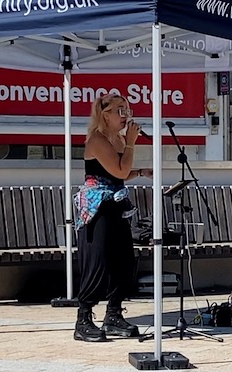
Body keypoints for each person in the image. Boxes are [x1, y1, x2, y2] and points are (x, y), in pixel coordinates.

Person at [73, 93, 153, 342]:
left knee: (123, 259)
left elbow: (119, 174)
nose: (125, 115)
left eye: (126, 109)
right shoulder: (97, 141)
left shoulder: (118, 140)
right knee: (99, 261)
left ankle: (114, 314)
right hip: (98, 208)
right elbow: (119, 168)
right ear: (104, 114)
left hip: (116, 204)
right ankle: (84, 318)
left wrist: (139, 171)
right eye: (119, 110)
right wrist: (130, 143)